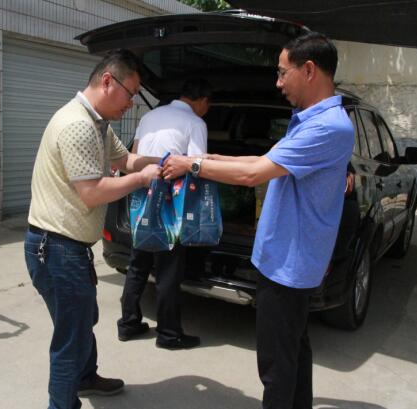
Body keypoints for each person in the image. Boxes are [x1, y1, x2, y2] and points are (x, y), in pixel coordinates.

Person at [162, 32, 355, 409]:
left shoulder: (328, 126)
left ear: (309, 70)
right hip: (284, 259)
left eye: (282, 73)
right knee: (293, 349)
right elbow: (263, 160)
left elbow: (254, 175)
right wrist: (212, 158)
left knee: (276, 364)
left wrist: (192, 165)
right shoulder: (310, 120)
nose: (278, 83)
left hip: (289, 265)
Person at [24, 49, 161, 409]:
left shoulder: (97, 123)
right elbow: (92, 192)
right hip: (57, 249)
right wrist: (142, 179)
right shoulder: (78, 125)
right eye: (131, 93)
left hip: (68, 248)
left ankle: (85, 377)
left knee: (83, 321)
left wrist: (164, 162)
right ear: (107, 81)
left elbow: (125, 160)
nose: (132, 103)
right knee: (71, 337)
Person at [117, 77, 212, 350]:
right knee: (169, 269)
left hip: (141, 194)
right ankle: (169, 335)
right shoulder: (195, 122)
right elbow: (197, 166)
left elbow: (134, 155)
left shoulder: (149, 116)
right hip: (170, 200)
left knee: (138, 262)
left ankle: (128, 324)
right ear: (203, 101)